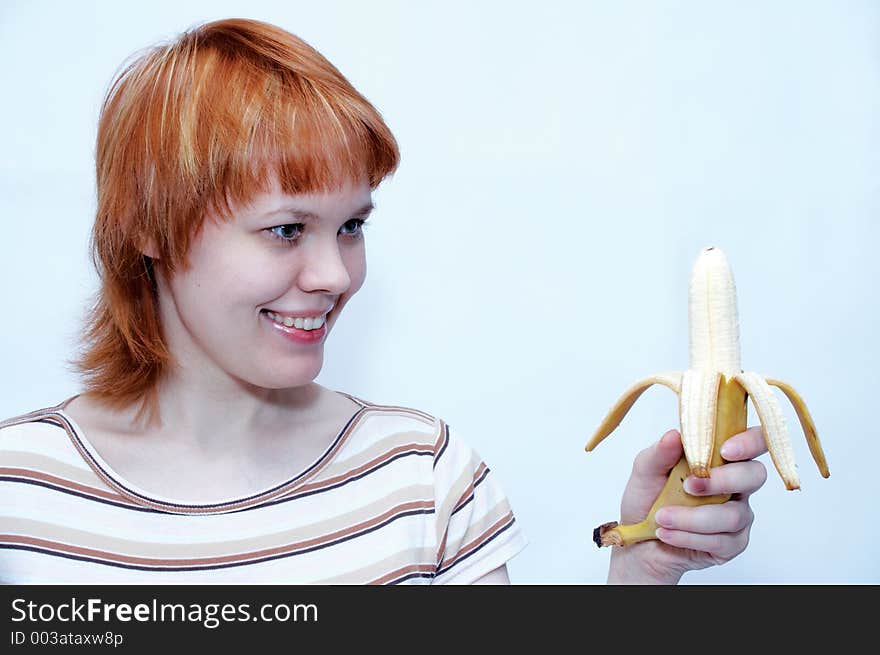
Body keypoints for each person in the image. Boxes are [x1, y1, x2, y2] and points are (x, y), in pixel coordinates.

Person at [0, 18, 767, 585]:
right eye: (286, 228)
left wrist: (642, 568)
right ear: (147, 230)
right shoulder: (18, 490)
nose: (336, 273)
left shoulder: (422, 477)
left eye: (352, 226)